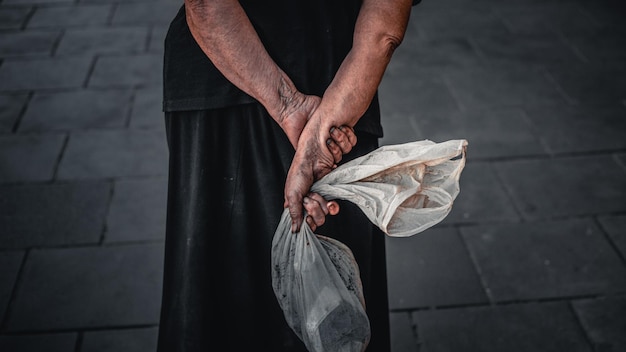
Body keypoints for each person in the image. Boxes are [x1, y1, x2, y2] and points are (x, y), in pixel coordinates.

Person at [157, 0, 418, 351]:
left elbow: (206, 5)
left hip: (234, 77)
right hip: (339, 90)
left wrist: (292, 107)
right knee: (331, 308)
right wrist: (321, 121)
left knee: (219, 307)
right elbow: (384, 27)